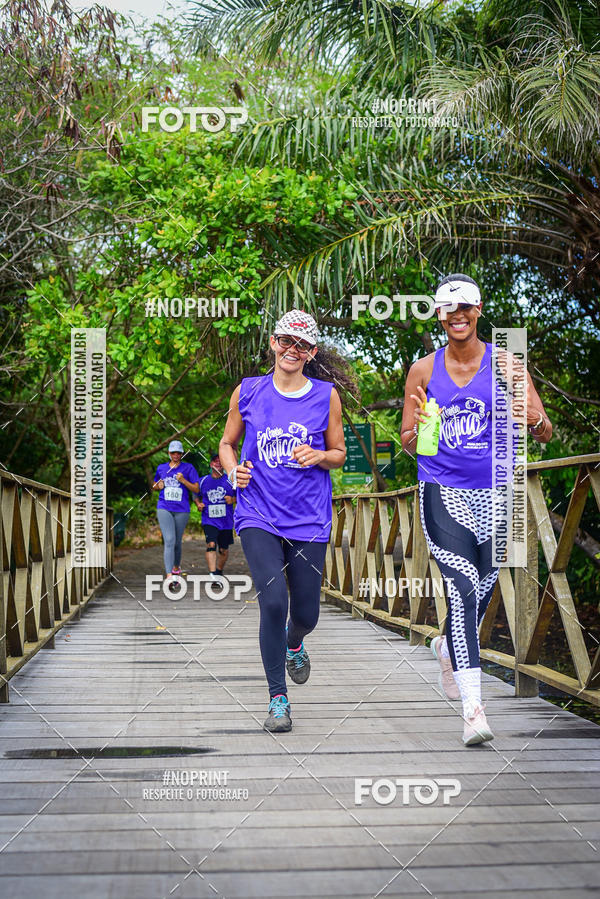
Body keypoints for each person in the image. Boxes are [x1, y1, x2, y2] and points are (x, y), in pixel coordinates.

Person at [401, 273, 552, 745]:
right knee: (462, 587)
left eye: (465, 307)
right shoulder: (423, 370)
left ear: (479, 310)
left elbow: (545, 431)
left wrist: (535, 420)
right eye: (449, 309)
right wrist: (422, 429)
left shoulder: (507, 363)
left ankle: (446, 645)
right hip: (442, 489)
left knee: (481, 594)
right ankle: (474, 710)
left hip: (498, 495)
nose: (458, 316)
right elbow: (408, 442)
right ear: (439, 315)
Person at [219, 310, 349, 733]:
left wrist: (320, 455)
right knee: (273, 602)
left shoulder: (326, 396)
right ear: (273, 342)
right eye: (285, 340)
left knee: (306, 614)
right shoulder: (248, 391)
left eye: (302, 344)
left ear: (311, 352)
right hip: (257, 512)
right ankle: (278, 699)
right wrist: (233, 471)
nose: (292, 349)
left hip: (309, 518)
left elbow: (339, 453)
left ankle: (295, 642)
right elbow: (226, 443)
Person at [152, 440, 200, 584]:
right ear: (169, 453)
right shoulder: (161, 468)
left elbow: (196, 489)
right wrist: (158, 485)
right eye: (173, 453)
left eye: (178, 453)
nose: (176, 455)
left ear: (182, 454)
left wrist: (183, 481)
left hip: (182, 509)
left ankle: (176, 568)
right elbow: (155, 484)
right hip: (164, 507)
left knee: (177, 543)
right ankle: (169, 575)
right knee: (169, 540)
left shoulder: (188, 468)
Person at [193, 453, 235, 578]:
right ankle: (212, 574)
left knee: (223, 550)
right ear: (211, 464)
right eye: (216, 462)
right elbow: (195, 494)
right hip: (209, 520)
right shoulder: (203, 481)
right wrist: (198, 504)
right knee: (211, 545)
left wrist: (233, 499)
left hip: (226, 521)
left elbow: (242, 496)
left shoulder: (230, 480)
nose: (218, 464)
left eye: (220, 462)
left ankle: (219, 571)